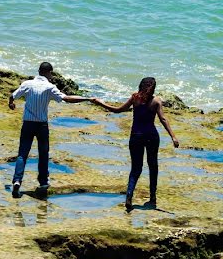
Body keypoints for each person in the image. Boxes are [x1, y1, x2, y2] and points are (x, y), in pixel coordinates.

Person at [93, 77, 179, 211]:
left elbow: (117, 110)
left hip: (136, 136)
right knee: (153, 166)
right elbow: (163, 119)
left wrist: (100, 103)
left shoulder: (135, 98)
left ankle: (129, 196)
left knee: (136, 168)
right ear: (154, 88)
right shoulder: (156, 101)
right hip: (151, 136)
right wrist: (173, 136)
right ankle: (152, 197)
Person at [9, 62, 92, 197]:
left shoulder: (27, 84)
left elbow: (13, 95)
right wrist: (88, 98)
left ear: (39, 71)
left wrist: (11, 103)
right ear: (49, 73)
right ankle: (42, 182)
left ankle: (17, 180)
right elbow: (66, 98)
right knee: (43, 154)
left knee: (22, 154)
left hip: (28, 123)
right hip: (41, 125)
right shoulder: (49, 87)